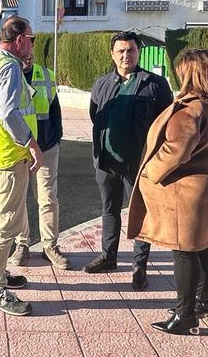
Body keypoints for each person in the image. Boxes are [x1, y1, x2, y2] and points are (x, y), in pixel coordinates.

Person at [126, 48, 208, 335]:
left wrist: (151, 170)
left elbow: (177, 149)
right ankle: (202, 302)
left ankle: (185, 314)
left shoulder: (192, 109)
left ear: (192, 73)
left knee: (185, 249)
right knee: (206, 243)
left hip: (188, 190)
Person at [83, 31, 173, 292]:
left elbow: (165, 124)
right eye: (121, 51)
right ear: (112, 54)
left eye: (131, 50)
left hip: (140, 164)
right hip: (107, 161)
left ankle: (139, 267)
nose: (126, 55)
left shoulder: (156, 84)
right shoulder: (101, 84)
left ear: (138, 52)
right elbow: (95, 116)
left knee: (140, 214)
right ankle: (108, 256)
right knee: (109, 210)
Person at [0, 16, 43, 317]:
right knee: (8, 223)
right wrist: (31, 143)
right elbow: (10, 113)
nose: (32, 44)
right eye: (31, 38)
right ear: (18, 40)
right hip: (8, 155)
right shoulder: (10, 67)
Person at [8, 52, 70, 270]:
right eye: (22, 54)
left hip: (45, 146)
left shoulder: (46, 75)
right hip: (19, 149)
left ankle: (50, 246)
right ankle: (22, 244)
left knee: (48, 198)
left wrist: (56, 138)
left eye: (30, 53)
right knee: (19, 200)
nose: (27, 57)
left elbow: (54, 109)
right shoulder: (9, 74)